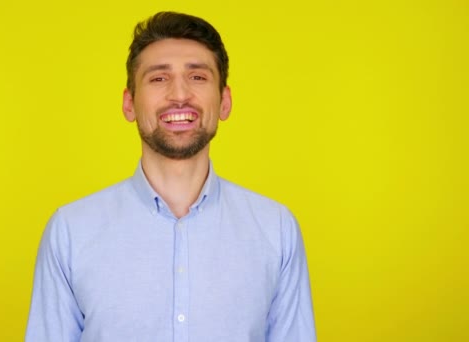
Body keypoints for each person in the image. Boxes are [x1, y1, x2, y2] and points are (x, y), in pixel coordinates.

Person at [25, 11, 316, 342]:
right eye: (158, 79)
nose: (179, 95)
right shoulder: (70, 231)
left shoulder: (276, 230)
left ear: (224, 101)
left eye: (198, 77)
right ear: (129, 103)